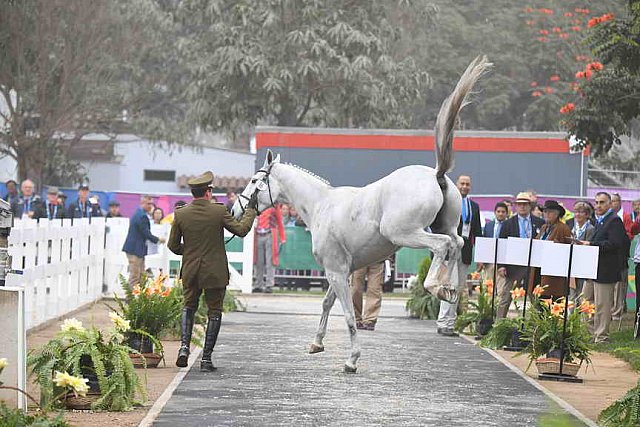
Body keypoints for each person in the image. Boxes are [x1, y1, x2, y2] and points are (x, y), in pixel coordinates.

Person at [168, 171, 257, 371]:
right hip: (214, 272)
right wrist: (251, 211)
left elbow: (173, 246)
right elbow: (241, 230)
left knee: (188, 307)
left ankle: (184, 348)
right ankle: (206, 359)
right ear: (208, 192)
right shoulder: (218, 211)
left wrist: (189, 252)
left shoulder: (181, 214)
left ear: (193, 193)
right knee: (214, 312)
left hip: (191, 270)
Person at [579, 192, 628, 343]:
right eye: (596, 202)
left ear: (610, 204)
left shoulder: (614, 221)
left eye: (602, 202)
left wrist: (591, 244)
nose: (598, 205)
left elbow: (615, 244)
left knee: (602, 305)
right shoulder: (600, 220)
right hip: (593, 269)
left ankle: (602, 336)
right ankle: (590, 334)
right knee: (586, 302)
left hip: (606, 270)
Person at [437, 175, 482, 336]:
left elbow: (477, 232)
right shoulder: (448, 203)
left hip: (465, 251)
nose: (464, 186)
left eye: (467, 184)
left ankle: (450, 323)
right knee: (450, 285)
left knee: (459, 287)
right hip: (450, 250)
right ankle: (442, 322)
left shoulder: (474, 206)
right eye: (462, 183)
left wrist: (480, 257)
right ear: (456, 185)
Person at [497, 192, 544, 317]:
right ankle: (498, 325)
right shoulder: (508, 223)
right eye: (519, 204)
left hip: (533, 265)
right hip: (513, 266)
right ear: (515, 206)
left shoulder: (540, 223)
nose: (522, 207)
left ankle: (538, 325)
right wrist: (501, 265)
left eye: (525, 204)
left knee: (535, 297)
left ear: (530, 206)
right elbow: (502, 246)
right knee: (506, 297)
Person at [528, 200, 572, 300]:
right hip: (538, 269)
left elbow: (568, 249)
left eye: (550, 212)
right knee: (538, 298)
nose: (546, 214)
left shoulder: (563, 228)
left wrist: (557, 247)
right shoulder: (544, 227)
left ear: (557, 214)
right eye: (545, 211)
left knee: (551, 299)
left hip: (553, 273)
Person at [122, 195, 166, 287]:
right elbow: (146, 233)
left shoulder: (138, 213)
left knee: (141, 275)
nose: (151, 206)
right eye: (148, 203)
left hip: (136, 249)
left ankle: (137, 298)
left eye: (151, 204)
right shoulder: (142, 216)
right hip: (135, 250)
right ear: (142, 203)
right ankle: (131, 299)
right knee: (135, 276)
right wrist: (158, 240)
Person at [253, 203, 286, 293]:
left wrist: (282, 237)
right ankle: (258, 284)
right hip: (258, 234)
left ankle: (269, 285)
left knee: (270, 261)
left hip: (270, 234)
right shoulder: (257, 206)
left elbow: (279, 221)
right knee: (258, 261)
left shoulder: (274, 206)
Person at [569, 201, 595, 304]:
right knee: (572, 293)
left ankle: (581, 318)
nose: (578, 214)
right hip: (573, 263)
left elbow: (589, 248)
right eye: (576, 212)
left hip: (583, 265)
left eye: (581, 212)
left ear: (587, 215)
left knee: (581, 293)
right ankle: (571, 317)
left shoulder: (590, 229)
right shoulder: (572, 226)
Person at [351, 261, 385, 331]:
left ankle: (370, 320)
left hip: (377, 256)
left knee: (375, 289)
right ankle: (356, 319)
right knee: (355, 288)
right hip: (359, 256)